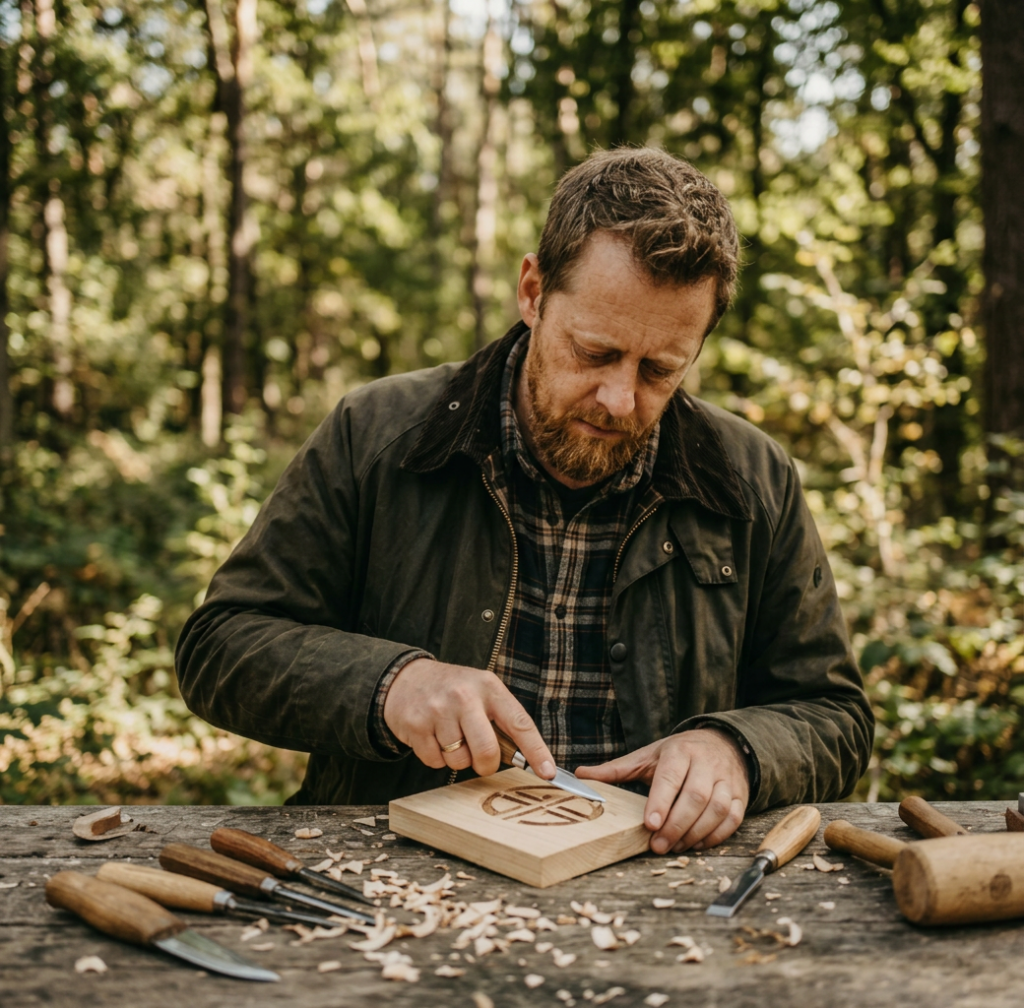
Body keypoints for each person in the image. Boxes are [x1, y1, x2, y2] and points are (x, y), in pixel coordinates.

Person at [176, 147, 872, 854]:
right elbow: (220, 645)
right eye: (595, 352)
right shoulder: (379, 435)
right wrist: (393, 686)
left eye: (660, 369)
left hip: (659, 883)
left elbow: (836, 714)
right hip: (400, 870)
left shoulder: (754, 481)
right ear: (534, 292)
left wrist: (738, 748)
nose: (620, 399)